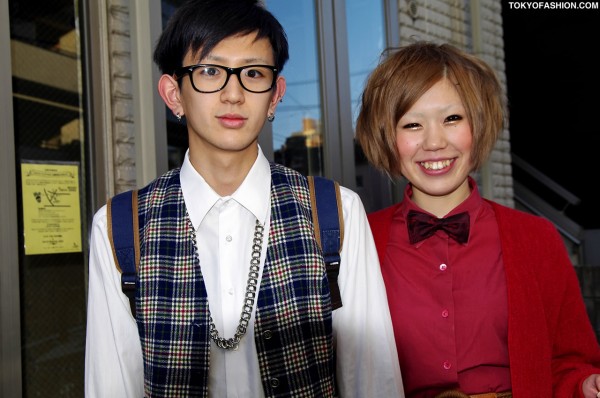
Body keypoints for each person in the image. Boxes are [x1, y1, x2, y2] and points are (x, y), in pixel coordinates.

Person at [84, 0, 404, 397]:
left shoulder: (336, 213)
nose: (233, 93)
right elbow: (111, 384)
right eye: (210, 71)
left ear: (274, 95)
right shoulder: (120, 227)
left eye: (253, 73)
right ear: (173, 94)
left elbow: (373, 381)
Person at [355, 40, 600, 398]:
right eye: (412, 125)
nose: (435, 142)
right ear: (386, 138)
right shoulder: (358, 241)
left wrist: (585, 384)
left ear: (478, 125)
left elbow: (568, 362)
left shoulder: (536, 237)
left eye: (452, 118)